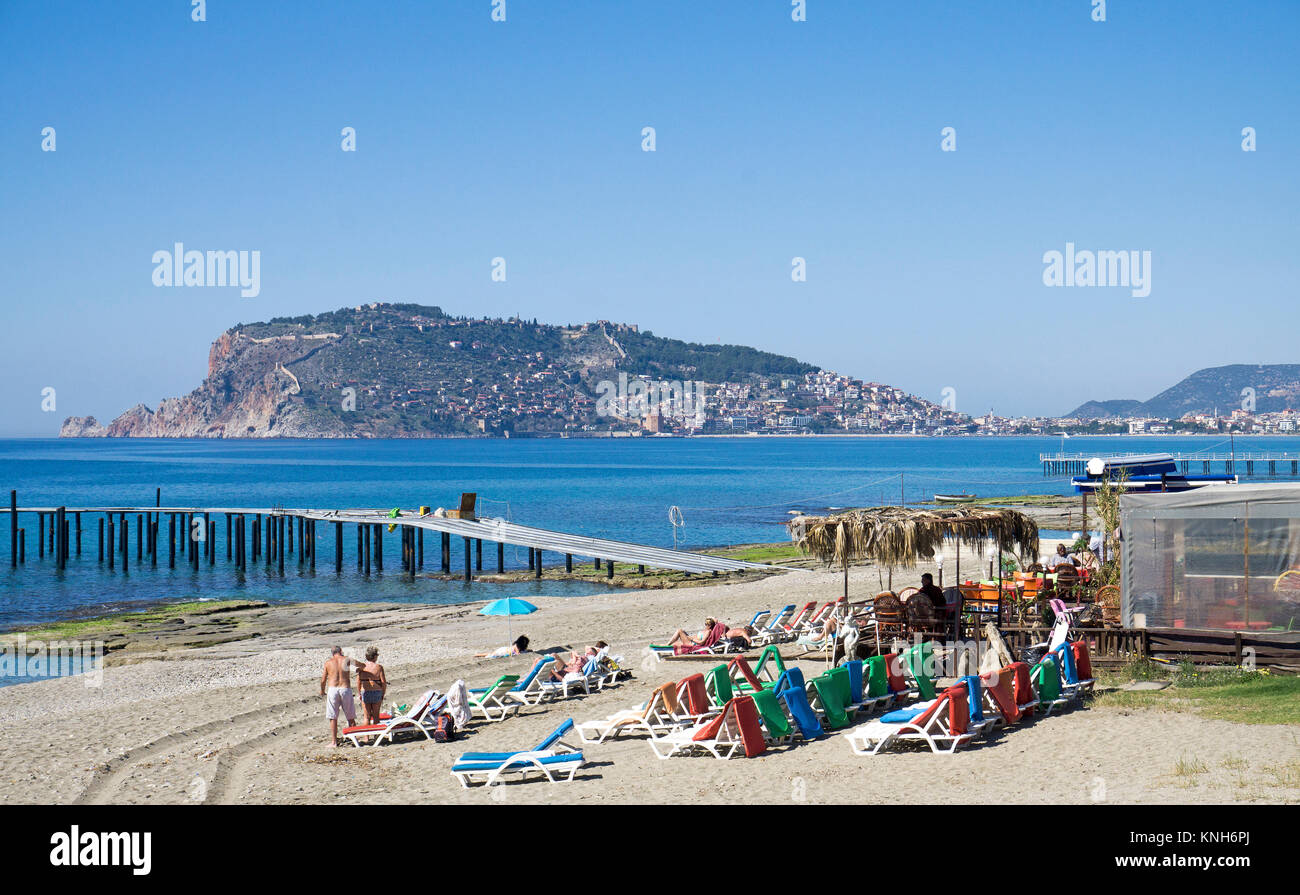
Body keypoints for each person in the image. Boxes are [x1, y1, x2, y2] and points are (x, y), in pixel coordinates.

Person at [320, 646, 364, 746]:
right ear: (341, 651)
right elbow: (361, 665)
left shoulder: (328, 663)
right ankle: (354, 739)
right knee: (350, 716)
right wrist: (360, 669)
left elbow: (323, 680)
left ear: (332, 653)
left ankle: (334, 742)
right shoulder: (346, 659)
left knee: (333, 716)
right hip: (345, 688)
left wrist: (322, 691)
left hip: (333, 689)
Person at [357, 646, 388, 724]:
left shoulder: (362, 667)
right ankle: (377, 735)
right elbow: (383, 682)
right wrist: (383, 693)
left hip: (365, 691)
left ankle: (366, 736)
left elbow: (358, 682)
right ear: (374, 656)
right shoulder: (379, 667)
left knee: (366, 717)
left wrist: (359, 693)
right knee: (376, 716)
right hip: (377, 691)